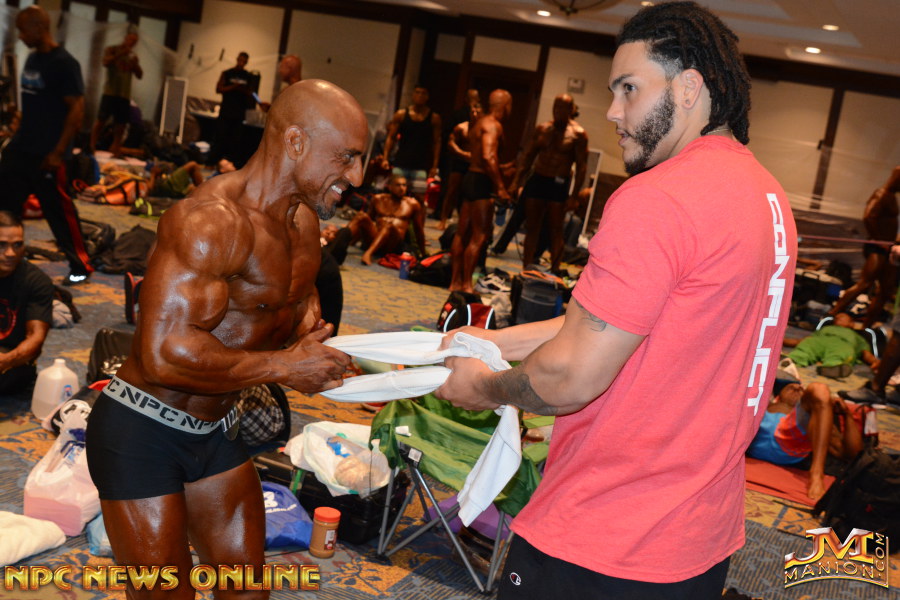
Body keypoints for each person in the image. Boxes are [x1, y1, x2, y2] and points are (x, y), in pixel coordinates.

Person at [435, 3, 796, 598]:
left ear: (688, 88)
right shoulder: (766, 196)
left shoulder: (659, 198)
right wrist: (493, 340)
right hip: (698, 539)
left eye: (629, 88)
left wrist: (482, 387)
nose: (612, 110)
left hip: (605, 535)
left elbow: (569, 378)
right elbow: (626, 323)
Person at [84, 80, 366, 599]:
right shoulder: (211, 221)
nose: (357, 176)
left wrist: (323, 346)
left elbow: (291, 316)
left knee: (247, 591)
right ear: (296, 142)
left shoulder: (303, 225)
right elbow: (164, 354)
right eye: (346, 157)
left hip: (217, 429)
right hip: (141, 433)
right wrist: (286, 367)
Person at [0, 5, 93, 286]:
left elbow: (76, 110)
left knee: (58, 213)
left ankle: (81, 265)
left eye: (23, 30)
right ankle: (7, 258)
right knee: (5, 206)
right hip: (22, 148)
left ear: (39, 28)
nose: (20, 36)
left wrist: (58, 152)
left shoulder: (64, 63)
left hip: (49, 154)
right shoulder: (32, 59)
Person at [747, 380, 864, 501]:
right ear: (778, 397)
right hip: (754, 432)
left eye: (801, 389)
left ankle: (816, 474)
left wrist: (847, 415)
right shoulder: (765, 405)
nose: (797, 387)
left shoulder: (813, 423)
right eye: (790, 387)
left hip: (789, 440)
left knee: (819, 388)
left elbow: (854, 455)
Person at [510, 94, 588, 272]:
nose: (558, 111)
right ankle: (526, 269)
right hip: (538, 179)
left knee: (556, 229)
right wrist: (515, 182)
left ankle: (554, 270)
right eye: (556, 107)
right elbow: (528, 157)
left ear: (570, 110)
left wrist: (574, 196)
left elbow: (582, 167)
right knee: (532, 227)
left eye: (562, 108)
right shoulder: (543, 129)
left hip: (558, 184)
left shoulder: (578, 134)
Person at [448, 89, 512, 293]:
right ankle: (467, 284)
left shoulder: (479, 123)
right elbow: (487, 156)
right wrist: (500, 187)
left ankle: (454, 282)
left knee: (462, 233)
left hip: (470, 177)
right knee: (479, 236)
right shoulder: (493, 125)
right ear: (505, 106)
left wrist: (501, 168)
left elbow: (479, 157)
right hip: (481, 183)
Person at [827, 166, 900, 328]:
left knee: (885, 290)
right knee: (865, 283)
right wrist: (878, 240)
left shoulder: (891, 197)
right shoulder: (881, 194)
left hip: (888, 248)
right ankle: (832, 314)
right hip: (878, 248)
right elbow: (868, 216)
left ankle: (866, 327)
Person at [0, 211, 53, 400]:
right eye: (2, 245)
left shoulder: (36, 281)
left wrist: (5, 361)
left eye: (17, 245)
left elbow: (35, 339)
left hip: (13, 359)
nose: (10, 253)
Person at [380, 85, 442, 199]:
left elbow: (437, 142)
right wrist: (385, 158)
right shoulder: (401, 114)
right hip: (401, 162)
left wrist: (435, 166)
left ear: (427, 97)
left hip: (421, 165)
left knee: (419, 197)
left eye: (423, 93)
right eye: (417, 92)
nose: (420, 96)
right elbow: (391, 137)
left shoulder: (434, 118)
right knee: (394, 196)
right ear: (413, 95)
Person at [348, 174, 426, 265]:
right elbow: (367, 221)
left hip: (394, 244)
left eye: (404, 185)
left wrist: (423, 254)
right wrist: (353, 241)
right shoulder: (378, 199)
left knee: (388, 224)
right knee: (361, 216)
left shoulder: (413, 204)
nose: (402, 188)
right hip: (376, 237)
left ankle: (368, 253)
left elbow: (419, 231)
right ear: (389, 186)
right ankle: (340, 241)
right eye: (398, 185)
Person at [90, 27, 143, 156]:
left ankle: (115, 148)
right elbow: (105, 62)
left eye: (135, 41)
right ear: (125, 38)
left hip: (124, 94)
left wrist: (136, 65)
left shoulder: (132, 56)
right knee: (101, 120)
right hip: (110, 92)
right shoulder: (112, 49)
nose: (132, 43)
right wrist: (121, 53)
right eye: (130, 39)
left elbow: (140, 75)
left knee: (121, 124)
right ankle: (91, 145)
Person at [784, 312, 878, 378]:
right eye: (836, 317)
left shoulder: (856, 336)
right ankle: (793, 359)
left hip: (842, 344)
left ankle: (833, 367)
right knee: (808, 345)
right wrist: (780, 341)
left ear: (851, 324)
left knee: (841, 353)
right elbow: (802, 341)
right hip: (820, 340)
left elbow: (866, 353)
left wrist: (875, 362)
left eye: (842, 317)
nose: (838, 317)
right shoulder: (826, 329)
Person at [439, 100, 482, 230]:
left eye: (477, 112)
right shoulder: (462, 127)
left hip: (474, 164)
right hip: (460, 161)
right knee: (452, 190)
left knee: (469, 193)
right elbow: (450, 143)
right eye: (472, 112)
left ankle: (463, 220)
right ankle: (443, 219)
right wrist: (462, 153)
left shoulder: (484, 130)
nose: (474, 114)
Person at [209, 51, 255, 165]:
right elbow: (219, 89)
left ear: (246, 62)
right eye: (240, 60)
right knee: (220, 138)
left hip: (239, 115)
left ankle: (230, 165)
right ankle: (212, 163)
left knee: (235, 142)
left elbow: (251, 93)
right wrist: (234, 87)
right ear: (237, 59)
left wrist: (242, 90)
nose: (241, 63)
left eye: (244, 61)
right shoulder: (227, 73)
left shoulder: (248, 76)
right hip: (226, 112)